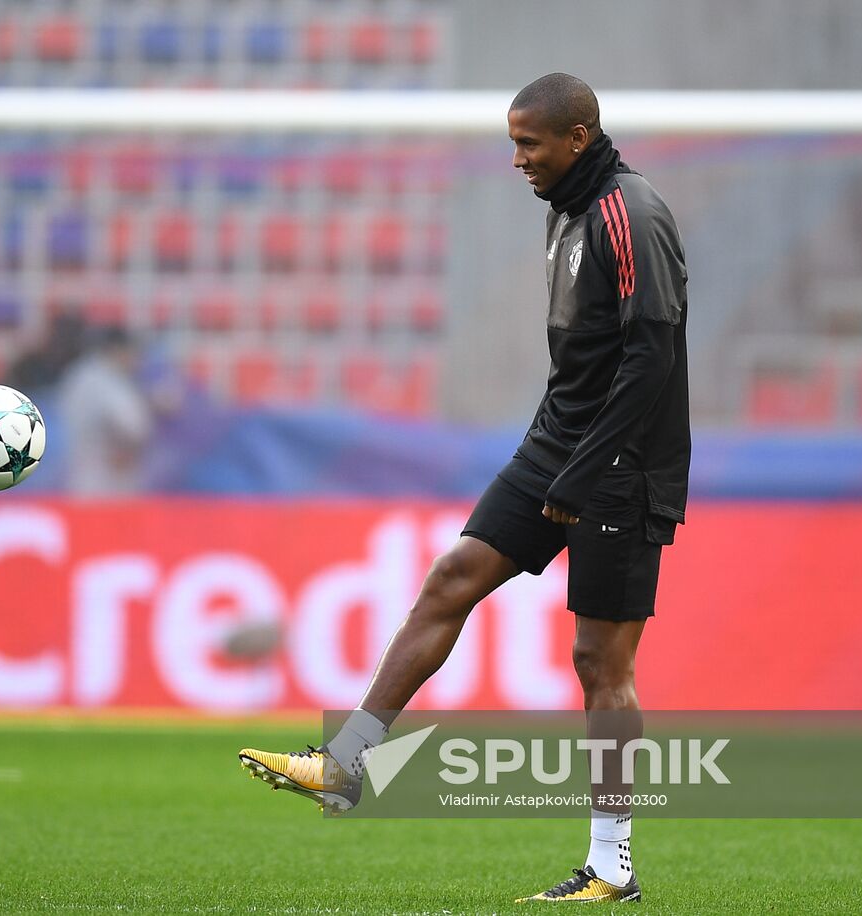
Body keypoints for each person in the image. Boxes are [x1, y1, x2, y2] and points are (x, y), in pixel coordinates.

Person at [238, 72, 689, 906]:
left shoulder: (632, 213)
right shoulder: (566, 213)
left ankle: (612, 869)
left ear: (578, 139)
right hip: (559, 445)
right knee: (451, 578)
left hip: (622, 465)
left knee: (600, 661)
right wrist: (557, 455)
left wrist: (587, 470)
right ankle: (346, 765)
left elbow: (651, 356)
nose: (517, 159)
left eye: (530, 143)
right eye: (513, 142)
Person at [56, 325, 156, 496]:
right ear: (117, 350)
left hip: (79, 472)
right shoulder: (107, 380)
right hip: (107, 476)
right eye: (132, 352)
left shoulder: (80, 374)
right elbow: (132, 426)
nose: (136, 360)